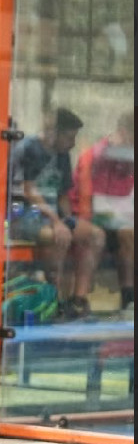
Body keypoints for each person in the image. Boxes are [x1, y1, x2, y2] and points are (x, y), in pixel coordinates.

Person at [9, 107, 106, 319]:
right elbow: (29, 191)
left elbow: (62, 194)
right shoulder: (29, 149)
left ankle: (78, 300)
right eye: (69, 137)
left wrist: (69, 220)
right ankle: (53, 299)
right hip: (25, 216)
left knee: (96, 236)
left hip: (52, 217)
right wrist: (58, 223)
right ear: (53, 133)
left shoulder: (63, 155)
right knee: (59, 236)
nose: (73, 143)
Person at [71, 109, 134, 311]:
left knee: (128, 234)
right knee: (112, 234)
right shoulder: (97, 154)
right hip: (89, 216)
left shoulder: (129, 156)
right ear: (124, 132)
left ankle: (129, 297)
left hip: (118, 219)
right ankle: (79, 299)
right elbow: (87, 198)